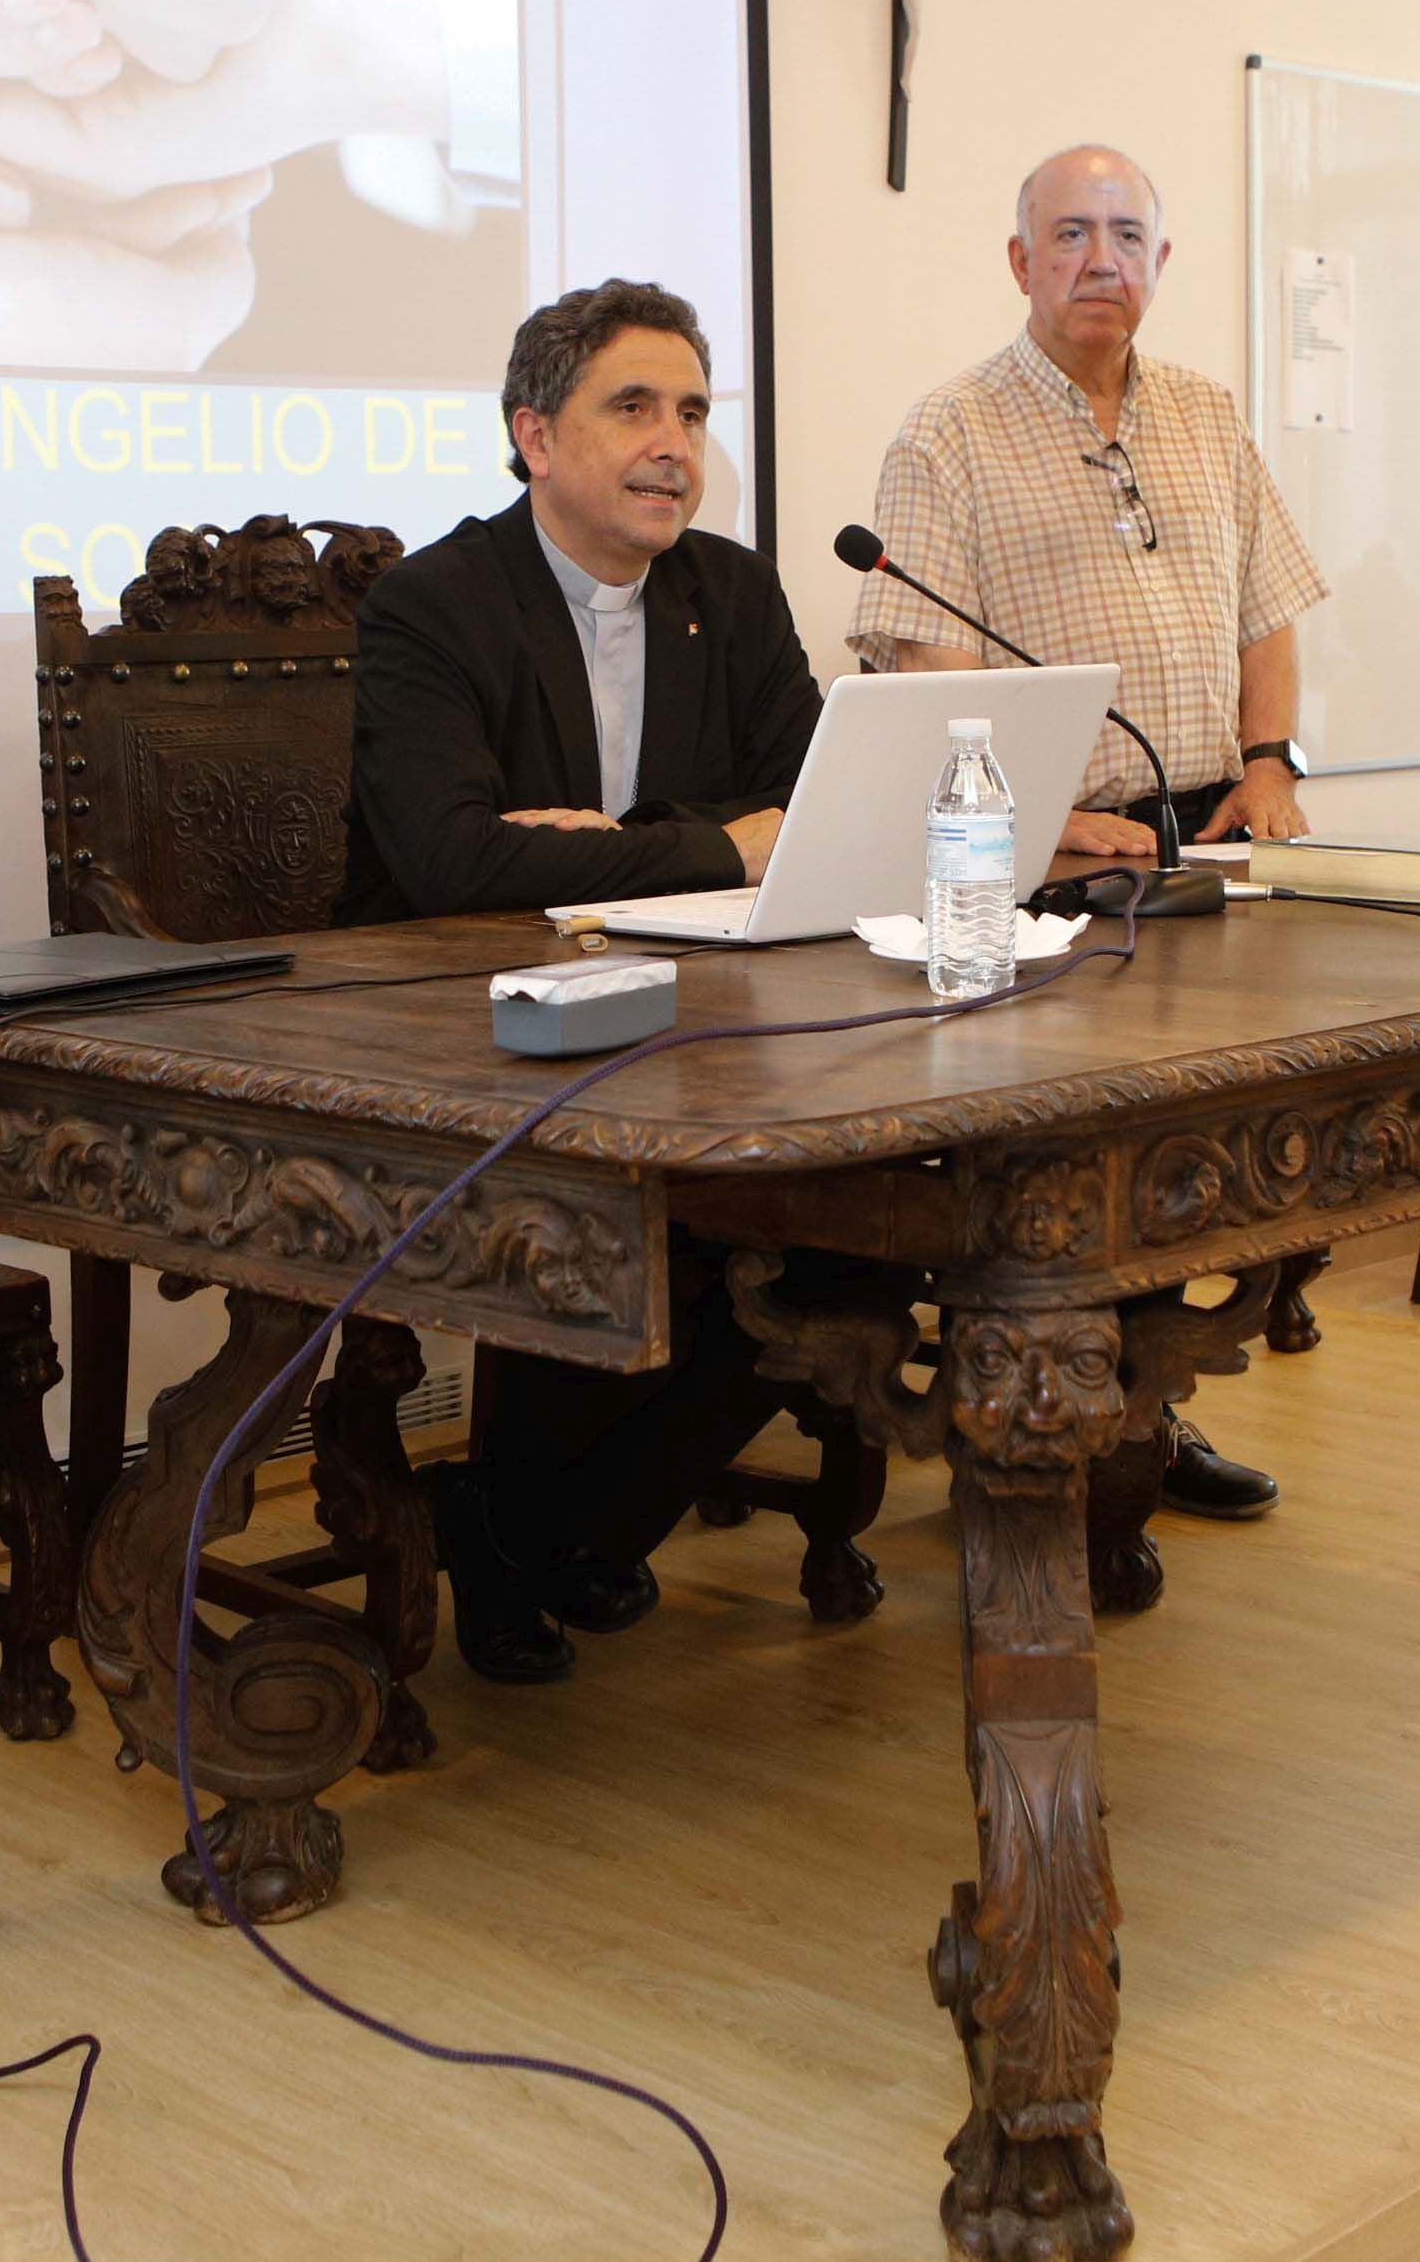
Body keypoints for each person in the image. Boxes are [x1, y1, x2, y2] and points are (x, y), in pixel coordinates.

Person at [337, 281, 818, 1680]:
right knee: (619, 1216)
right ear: (534, 436)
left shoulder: (727, 591)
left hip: (689, 1013)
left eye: (692, 412)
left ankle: (522, 1533)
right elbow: (448, 865)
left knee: (821, 1241)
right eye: (634, 408)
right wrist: (704, 842)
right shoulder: (437, 601)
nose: (674, 443)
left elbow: (811, 806)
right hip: (454, 1019)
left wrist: (609, 844)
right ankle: (549, 1538)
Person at [850, 142, 1319, 1523]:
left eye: (1126, 234)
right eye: (1069, 234)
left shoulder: (1206, 414)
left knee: (1184, 1155)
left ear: (1162, 264)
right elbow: (919, 661)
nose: (1100, 259)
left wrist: (1272, 758)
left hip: (1199, 833)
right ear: (1020, 263)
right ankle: (1039, 1438)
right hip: (1036, 854)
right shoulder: (949, 433)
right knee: (1066, 1172)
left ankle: (1145, 1423)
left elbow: (1267, 605)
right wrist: (1035, 816)